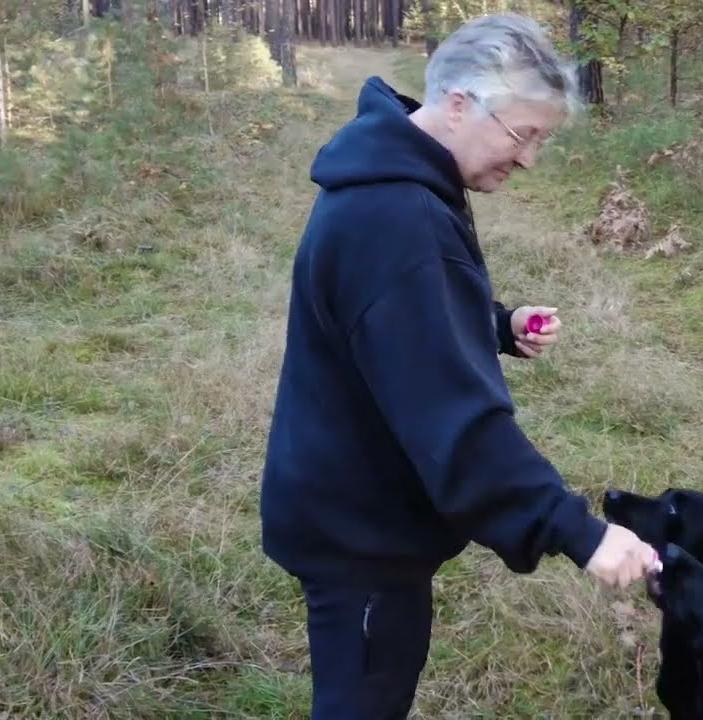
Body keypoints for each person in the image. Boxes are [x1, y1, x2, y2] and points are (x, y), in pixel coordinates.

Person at [258, 12, 660, 720]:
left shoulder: (397, 179)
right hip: (359, 532)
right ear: (457, 104)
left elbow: (400, 322)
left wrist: (494, 324)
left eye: (541, 139)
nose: (529, 157)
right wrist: (578, 531)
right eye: (523, 134)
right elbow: (458, 424)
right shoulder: (400, 222)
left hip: (354, 503)